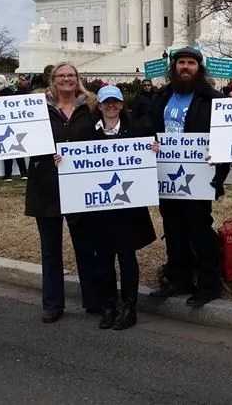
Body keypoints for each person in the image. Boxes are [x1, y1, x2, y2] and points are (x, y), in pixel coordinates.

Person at [71, 85, 158, 330]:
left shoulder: (137, 132)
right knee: (104, 259)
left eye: (115, 102)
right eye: (106, 102)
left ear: (122, 105)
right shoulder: (86, 133)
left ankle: (129, 307)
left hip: (128, 208)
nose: (111, 106)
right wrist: (62, 160)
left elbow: (148, 162)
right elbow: (76, 164)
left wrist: (154, 151)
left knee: (127, 257)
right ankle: (109, 306)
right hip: (99, 209)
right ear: (98, 106)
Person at [148, 47, 230, 307]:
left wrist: (219, 167)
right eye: (181, 62)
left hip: (198, 177)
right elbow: (147, 128)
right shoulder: (161, 97)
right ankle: (177, 277)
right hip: (167, 176)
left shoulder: (212, 99)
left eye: (191, 63)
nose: (185, 67)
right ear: (174, 67)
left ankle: (208, 283)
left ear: (199, 68)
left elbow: (226, 138)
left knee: (199, 229)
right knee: (173, 229)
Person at [25, 62, 101, 323]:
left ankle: (94, 299)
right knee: (50, 249)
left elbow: (114, 132)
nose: (66, 79)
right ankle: (53, 303)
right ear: (53, 80)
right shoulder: (37, 108)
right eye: (61, 76)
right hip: (45, 184)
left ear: (77, 79)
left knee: (87, 246)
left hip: (80, 186)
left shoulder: (90, 107)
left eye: (71, 75)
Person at [0, 75, 29, 181]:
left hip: (7, 123)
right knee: (17, 149)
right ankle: (23, 173)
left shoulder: (4, 92)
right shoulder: (19, 91)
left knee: (9, 150)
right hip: (16, 122)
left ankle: (8, 174)